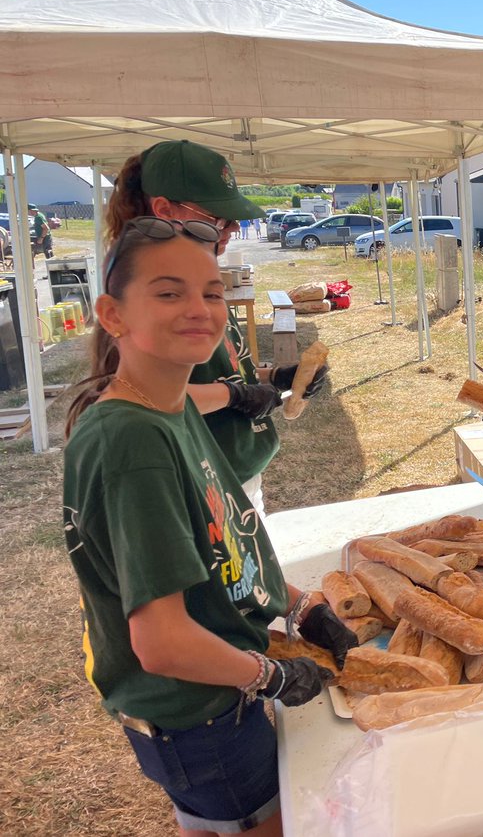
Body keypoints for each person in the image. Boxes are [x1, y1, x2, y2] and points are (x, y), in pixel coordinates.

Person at [62, 216, 357, 837]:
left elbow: (228, 548)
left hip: (211, 700)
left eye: (212, 291)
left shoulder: (171, 405)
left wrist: (300, 606)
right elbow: (162, 642)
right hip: (198, 714)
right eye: (169, 292)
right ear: (113, 315)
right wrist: (270, 675)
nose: (199, 308)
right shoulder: (133, 442)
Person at [105, 141, 327, 515]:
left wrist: (275, 377)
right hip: (195, 488)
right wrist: (235, 396)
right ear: (165, 211)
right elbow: (139, 400)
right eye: (219, 217)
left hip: (235, 476)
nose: (234, 227)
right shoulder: (143, 292)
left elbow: (219, 370)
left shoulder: (194, 281)